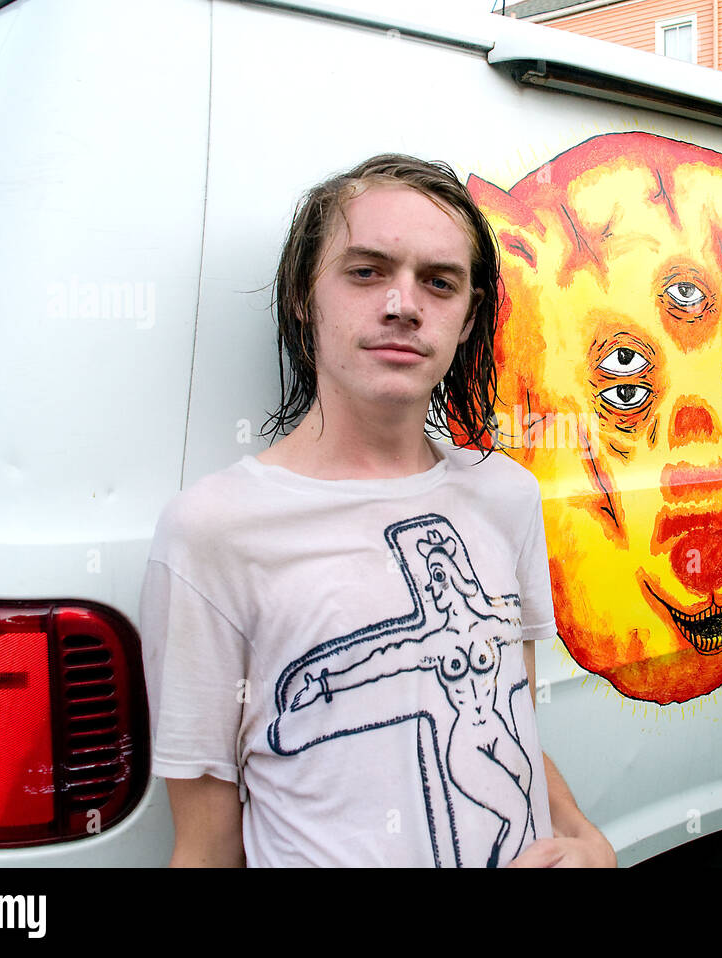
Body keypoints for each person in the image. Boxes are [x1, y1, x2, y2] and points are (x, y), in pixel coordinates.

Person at [140, 153, 617, 868]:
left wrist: (586, 842)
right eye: (366, 272)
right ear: (306, 295)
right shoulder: (214, 531)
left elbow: (507, 714)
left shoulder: (505, 495)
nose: (403, 305)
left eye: (439, 282)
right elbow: (205, 848)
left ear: (467, 317)